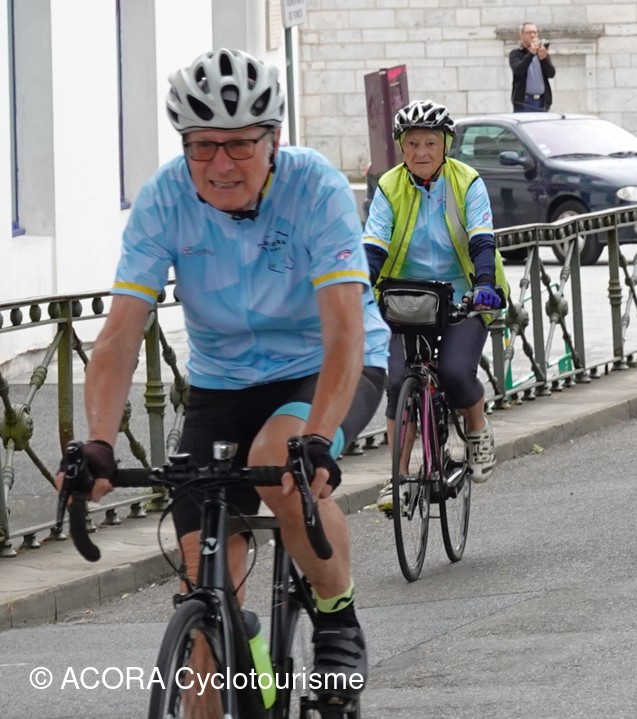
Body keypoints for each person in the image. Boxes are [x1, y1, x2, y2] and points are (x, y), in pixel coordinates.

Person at [55, 49, 390, 698]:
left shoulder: (315, 188)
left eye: (239, 145)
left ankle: (336, 615)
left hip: (323, 367)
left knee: (280, 463)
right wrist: (98, 441)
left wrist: (319, 435)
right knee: (205, 616)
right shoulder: (164, 198)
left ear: (274, 141)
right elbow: (120, 335)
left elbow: (346, 332)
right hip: (222, 383)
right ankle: (243, 655)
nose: (220, 164)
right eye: (202, 146)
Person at [366, 100, 509, 514]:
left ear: (445, 145)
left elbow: (481, 238)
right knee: (397, 381)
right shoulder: (389, 186)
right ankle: (397, 478)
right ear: (402, 147)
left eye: (430, 143)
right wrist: (359, 289)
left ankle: (477, 428)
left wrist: (485, 284)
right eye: (412, 143)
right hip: (403, 298)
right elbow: (373, 245)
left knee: (455, 372)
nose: (421, 152)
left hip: (464, 295)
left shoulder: (467, 182)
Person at [509, 22, 556, 112]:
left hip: (542, 101)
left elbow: (551, 74)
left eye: (535, 32)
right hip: (524, 101)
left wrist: (544, 59)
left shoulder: (541, 52)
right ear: (521, 35)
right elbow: (518, 71)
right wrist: (531, 53)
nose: (533, 35)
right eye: (529, 32)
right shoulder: (516, 54)